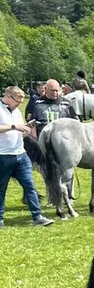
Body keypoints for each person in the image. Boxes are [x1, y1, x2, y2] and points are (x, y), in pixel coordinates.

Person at [0, 86, 54, 227]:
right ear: (8, 96)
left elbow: (18, 130)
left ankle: (37, 217)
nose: (20, 103)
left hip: (21, 154)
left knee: (29, 186)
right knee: (2, 188)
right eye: (18, 100)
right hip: (3, 156)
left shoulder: (16, 111)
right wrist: (14, 126)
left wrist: (26, 129)